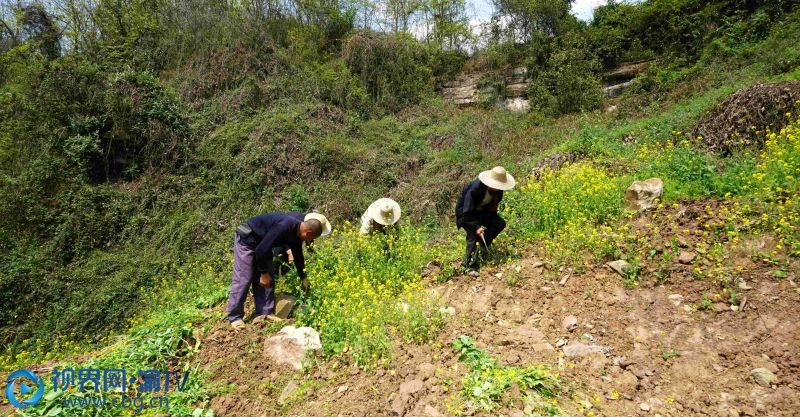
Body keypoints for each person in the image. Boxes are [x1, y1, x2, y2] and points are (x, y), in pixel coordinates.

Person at [227, 213, 323, 330]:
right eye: (312, 239)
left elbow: (298, 255)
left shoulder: (297, 233)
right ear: (308, 233)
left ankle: (264, 312)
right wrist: (263, 273)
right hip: (248, 240)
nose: (310, 241)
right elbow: (260, 250)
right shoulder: (285, 226)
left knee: (269, 278)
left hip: (263, 244)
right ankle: (235, 317)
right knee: (244, 277)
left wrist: (303, 277)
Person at [455, 166, 516, 276]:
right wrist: (477, 227)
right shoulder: (475, 188)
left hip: (482, 212)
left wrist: (491, 217)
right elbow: (467, 210)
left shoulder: (498, 192)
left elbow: (492, 209)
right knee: (472, 235)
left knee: (499, 223)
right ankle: (469, 266)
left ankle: (482, 246)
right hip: (466, 213)